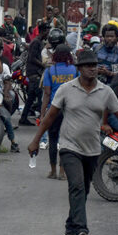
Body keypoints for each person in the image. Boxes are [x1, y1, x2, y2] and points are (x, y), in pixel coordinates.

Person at [28, 50, 118, 235]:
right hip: (70, 146)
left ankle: (70, 227)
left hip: (93, 149)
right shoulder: (66, 89)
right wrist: (36, 140)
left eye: (94, 65)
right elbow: (50, 117)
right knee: (77, 185)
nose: (92, 68)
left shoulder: (105, 91)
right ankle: (80, 229)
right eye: (88, 65)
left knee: (84, 189)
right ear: (79, 69)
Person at [41, 44, 78, 180]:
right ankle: (62, 172)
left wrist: (42, 112)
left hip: (53, 109)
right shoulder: (74, 70)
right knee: (66, 141)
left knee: (53, 139)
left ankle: (52, 171)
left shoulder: (50, 71)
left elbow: (47, 93)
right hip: (70, 109)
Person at [20, 22, 49, 125]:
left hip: (35, 73)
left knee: (31, 98)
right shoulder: (36, 42)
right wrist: (43, 65)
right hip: (34, 73)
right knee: (41, 96)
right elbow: (32, 58)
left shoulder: (39, 42)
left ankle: (23, 118)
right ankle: (43, 119)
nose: (48, 33)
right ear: (43, 31)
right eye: (47, 31)